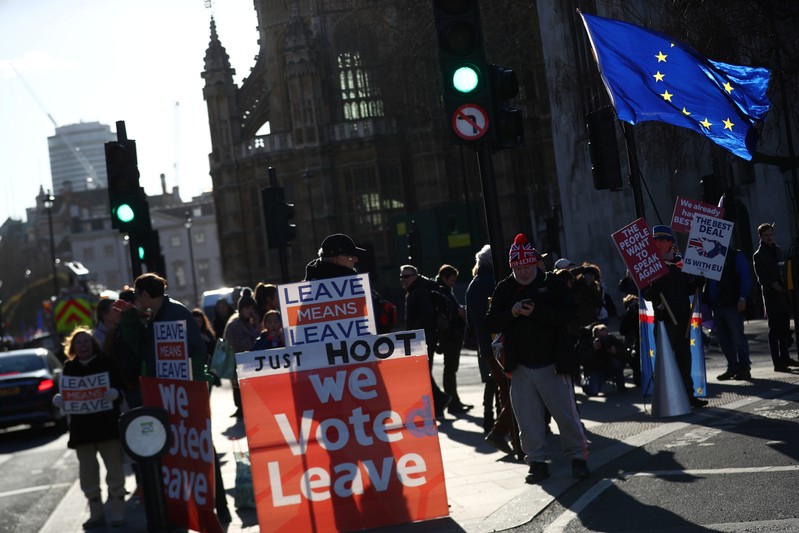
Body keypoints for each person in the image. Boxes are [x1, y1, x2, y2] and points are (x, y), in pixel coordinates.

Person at [118, 273, 231, 524]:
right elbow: (147, 349)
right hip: (170, 391)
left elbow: (194, 352)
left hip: (180, 393)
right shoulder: (160, 313)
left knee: (198, 447)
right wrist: (130, 317)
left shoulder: (174, 313)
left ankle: (216, 506)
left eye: (138, 295)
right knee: (185, 448)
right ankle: (197, 507)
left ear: (147, 295)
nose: (136, 299)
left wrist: (190, 387)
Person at [485, 234, 589, 483]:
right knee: (527, 418)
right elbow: (490, 320)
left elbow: (570, 314)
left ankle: (578, 458)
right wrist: (512, 312)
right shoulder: (505, 288)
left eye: (527, 267)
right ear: (512, 267)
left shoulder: (552, 283)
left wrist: (538, 312)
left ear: (535, 264)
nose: (522, 272)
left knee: (565, 414)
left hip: (553, 362)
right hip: (519, 365)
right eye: (518, 268)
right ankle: (537, 463)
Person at [52, 327, 128, 528]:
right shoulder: (69, 368)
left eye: (86, 341)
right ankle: (96, 513)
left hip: (107, 427)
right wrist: (61, 400)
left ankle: (118, 511)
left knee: (114, 470)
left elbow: (122, 389)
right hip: (82, 431)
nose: (83, 345)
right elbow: (67, 394)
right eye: (79, 342)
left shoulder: (106, 363)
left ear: (93, 344)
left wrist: (115, 393)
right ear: (73, 347)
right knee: (88, 475)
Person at [642, 225, 708, 408]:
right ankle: (667, 400)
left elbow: (688, 289)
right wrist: (654, 295)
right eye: (655, 241)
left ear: (671, 243)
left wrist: (698, 283)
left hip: (683, 319)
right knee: (665, 362)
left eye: (662, 240)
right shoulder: (651, 266)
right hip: (664, 320)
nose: (658, 244)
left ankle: (688, 396)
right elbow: (645, 291)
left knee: (684, 359)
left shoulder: (681, 265)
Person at [465, 245, 508, 436]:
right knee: (507, 387)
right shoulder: (497, 281)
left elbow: (470, 321)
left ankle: (492, 422)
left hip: (484, 345)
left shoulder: (472, 285)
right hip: (501, 341)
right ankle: (503, 430)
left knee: (497, 383)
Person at [400, 264, 452, 418]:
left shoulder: (419, 291)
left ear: (415, 276)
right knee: (424, 372)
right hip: (422, 337)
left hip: (423, 339)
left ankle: (441, 399)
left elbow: (427, 313)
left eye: (407, 276)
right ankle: (438, 405)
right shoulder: (415, 290)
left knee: (423, 372)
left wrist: (416, 332)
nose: (403, 279)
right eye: (402, 276)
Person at [753, 223, 799, 372]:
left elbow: (784, 268)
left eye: (771, 234)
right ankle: (777, 363)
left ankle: (785, 358)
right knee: (774, 330)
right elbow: (761, 277)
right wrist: (773, 285)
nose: (769, 238)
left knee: (785, 329)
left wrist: (786, 284)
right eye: (766, 235)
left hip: (783, 294)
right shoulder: (758, 255)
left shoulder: (778, 250)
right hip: (771, 296)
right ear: (760, 237)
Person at [709, 247, 753, 380]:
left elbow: (745, 276)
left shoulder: (736, 255)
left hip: (732, 304)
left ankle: (744, 367)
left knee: (738, 337)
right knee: (724, 339)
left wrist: (743, 298)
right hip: (717, 305)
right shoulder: (709, 255)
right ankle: (733, 366)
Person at [436, 264, 472, 415]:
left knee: (450, 370)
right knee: (450, 370)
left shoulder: (443, 290)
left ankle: (454, 401)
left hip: (450, 336)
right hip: (450, 337)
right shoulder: (442, 291)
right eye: (451, 280)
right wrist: (459, 313)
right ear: (444, 278)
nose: (453, 283)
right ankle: (453, 403)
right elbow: (447, 314)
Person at [224, 288, 260, 418]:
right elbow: (239, 346)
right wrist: (256, 334)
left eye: (252, 308)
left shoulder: (250, 323)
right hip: (238, 364)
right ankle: (240, 408)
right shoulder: (235, 325)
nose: (250, 311)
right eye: (247, 308)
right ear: (241, 309)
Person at [582, 324, 627, 396]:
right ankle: (585, 383)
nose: (604, 339)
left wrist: (616, 352)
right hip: (596, 370)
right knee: (593, 391)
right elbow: (583, 360)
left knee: (617, 363)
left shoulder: (612, 339)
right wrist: (593, 350)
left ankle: (621, 385)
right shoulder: (589, 343)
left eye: (605, 336)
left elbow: (625, 354)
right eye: (601, 337)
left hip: (609, 368)